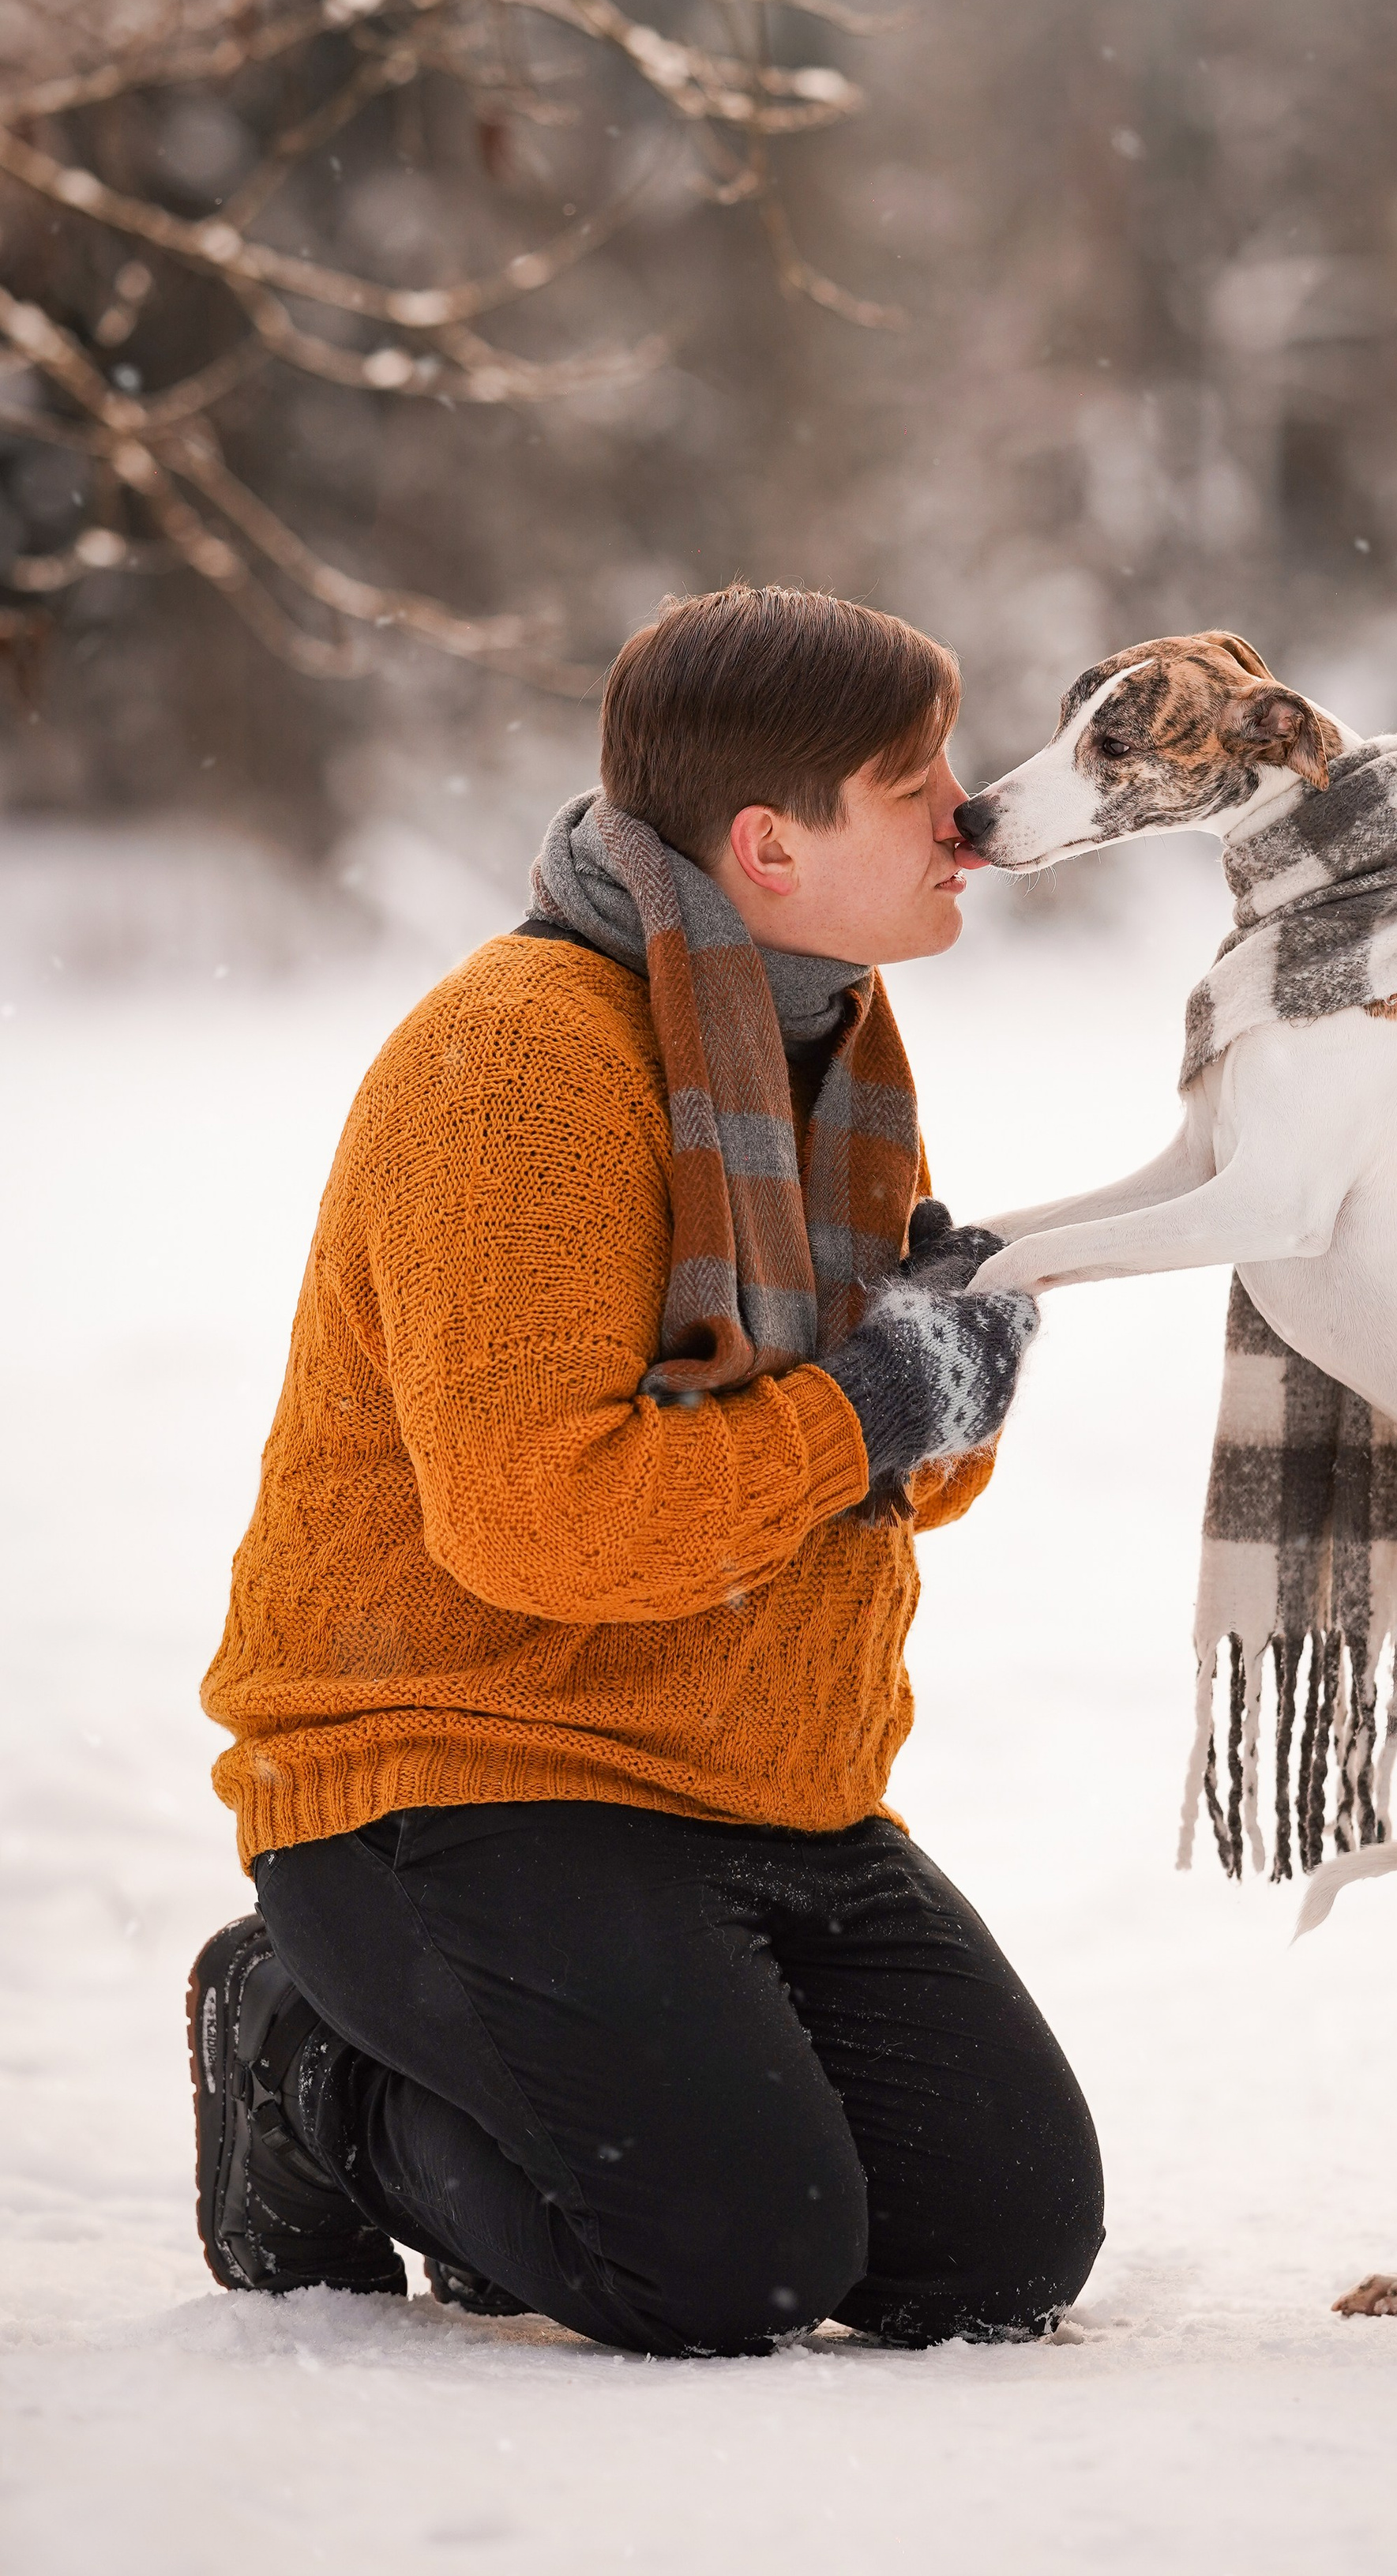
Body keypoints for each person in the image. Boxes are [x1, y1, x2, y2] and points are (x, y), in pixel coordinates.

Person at [189, 584, 1102, 2356]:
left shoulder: (810, 1040)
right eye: (912, 780)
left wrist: (930, 1399)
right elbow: (544, 1520)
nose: (964, 811)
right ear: (766, 842)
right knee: (727, 2262)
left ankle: (564, 2106)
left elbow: (844, 1482)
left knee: (989, 2246)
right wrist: (878, 1400)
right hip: (457, 1772)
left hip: (760, 1778)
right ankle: (302, 2058)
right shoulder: (519, 1061)